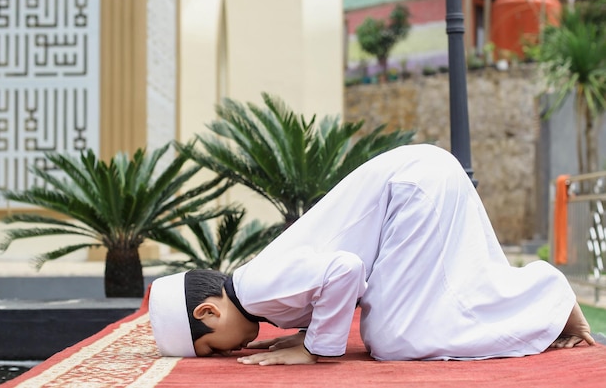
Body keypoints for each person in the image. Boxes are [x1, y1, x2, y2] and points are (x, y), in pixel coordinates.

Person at [148, 144, 595, 365]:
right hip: (420, 178)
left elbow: (345, 269)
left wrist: (316, 352)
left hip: (414, 188)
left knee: (392, 339)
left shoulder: (255, 286)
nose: (227, 354)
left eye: (211, 349)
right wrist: (305, 337)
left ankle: (547, 294)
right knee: (439, 303)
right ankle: (546, 299)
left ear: (208, 311)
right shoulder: (255, 287)